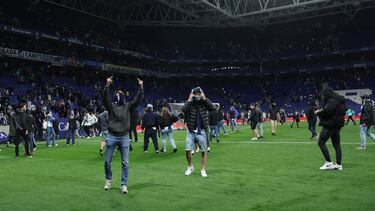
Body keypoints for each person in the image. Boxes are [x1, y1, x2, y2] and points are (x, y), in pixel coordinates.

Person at [103, 76, 143, 194]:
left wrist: (141, 87)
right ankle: (108, 180)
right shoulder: (111, 106)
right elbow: (105, 99)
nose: (119, 94)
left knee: (125, 162)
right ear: (115, 95)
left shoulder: (128, 106)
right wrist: (107, 85)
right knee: (107, 162)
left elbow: (137, 100)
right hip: (111, 136)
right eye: (118, 93)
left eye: (121, 93)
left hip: (124, 136)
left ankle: (124, 184)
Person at [182, 87, 215, 177]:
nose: (197, 96)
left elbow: (213, 108)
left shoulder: (204, 102)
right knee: (188, 150)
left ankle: (203, 169)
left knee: (203, 151)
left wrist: (205, 98)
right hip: (191, 131)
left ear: (201, 94)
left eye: (198, 94)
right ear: (192, 94)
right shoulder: (190, 103)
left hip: (202, 131)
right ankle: (190, 166)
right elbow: (183, 110)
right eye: (195, 94)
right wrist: (189, 99)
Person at [315, 87, 346, 171]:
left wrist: (319, 112)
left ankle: (328, 163)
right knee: (337, 145)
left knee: (321, 142)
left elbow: (327, 111)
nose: (323, 97)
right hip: (338, 125)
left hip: (330, 125)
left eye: (323, 95)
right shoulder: (340, 101)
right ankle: (338, 164)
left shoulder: (331, 101)